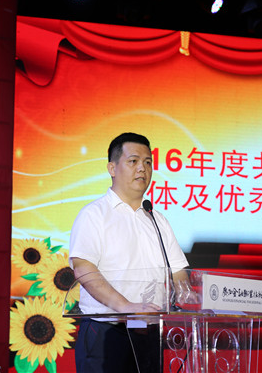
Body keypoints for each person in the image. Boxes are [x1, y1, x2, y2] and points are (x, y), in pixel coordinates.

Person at [69, 132, 190, 373]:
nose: (142, 169)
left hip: (149, 334)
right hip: (106, 333)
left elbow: (178, 273)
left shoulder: (157, 220)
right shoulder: (94, 214)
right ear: (112, 168)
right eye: (133, 161)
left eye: (148, 162)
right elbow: (83, 269)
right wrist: (125, 305)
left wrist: (191, 300)